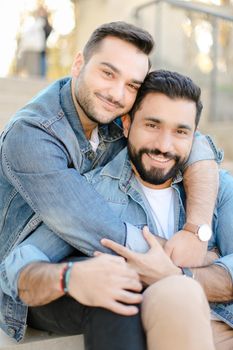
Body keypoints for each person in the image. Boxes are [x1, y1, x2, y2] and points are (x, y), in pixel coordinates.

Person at [0, 21, 220, 347]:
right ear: (79, 64)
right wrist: (175, 255)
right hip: (30, 274)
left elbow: (192, 139)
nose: (117, 94)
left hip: (91, 252)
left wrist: (196, 230)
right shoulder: (31, 135)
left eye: (132, 84)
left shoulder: (110, 109)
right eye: (107, 73)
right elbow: (95, 226)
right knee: (119, 288)